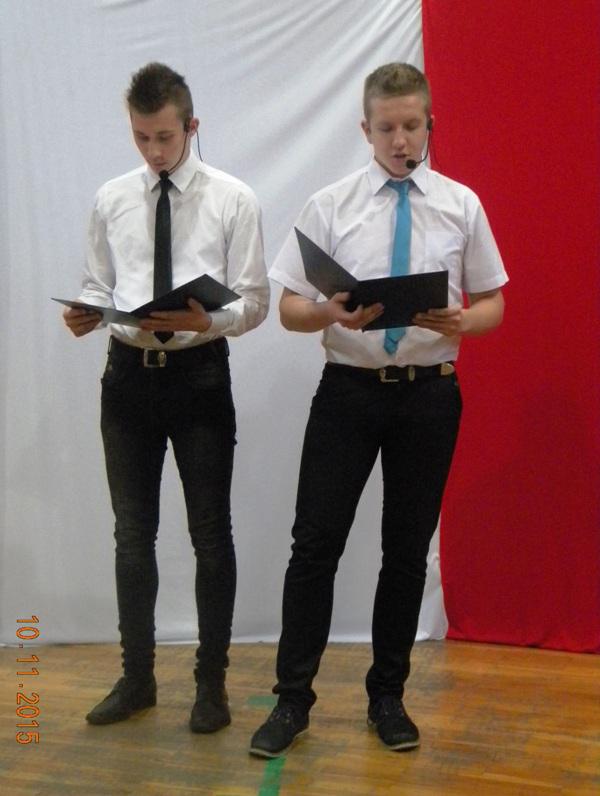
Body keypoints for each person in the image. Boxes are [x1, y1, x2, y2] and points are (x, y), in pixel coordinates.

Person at [249, 62, 507, 757]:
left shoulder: (460, 205)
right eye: (387, 127)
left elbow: (494, 303)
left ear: (430, 125)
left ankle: (387, 697)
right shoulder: (330, 205)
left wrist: (462, 321)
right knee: (314, 546)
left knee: (406, 551)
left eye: (412, 126)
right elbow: (290, 308)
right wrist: (328, 312)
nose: (400, 140)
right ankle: (291, 701)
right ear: (365, 129)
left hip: (429, 394)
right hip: (349, 392)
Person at [63, 62, 269, 732]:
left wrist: (209, 321)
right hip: (128, 378)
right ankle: (137, 678)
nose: (154, 151)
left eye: (165, 137)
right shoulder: (112, 198)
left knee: (210, 532)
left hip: (198, 375)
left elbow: (256, 301)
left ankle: (211, 684)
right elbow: (99, 283)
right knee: (132, 533)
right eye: (141, 137)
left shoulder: (233, 198)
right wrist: (87, 311)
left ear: (192, 126)